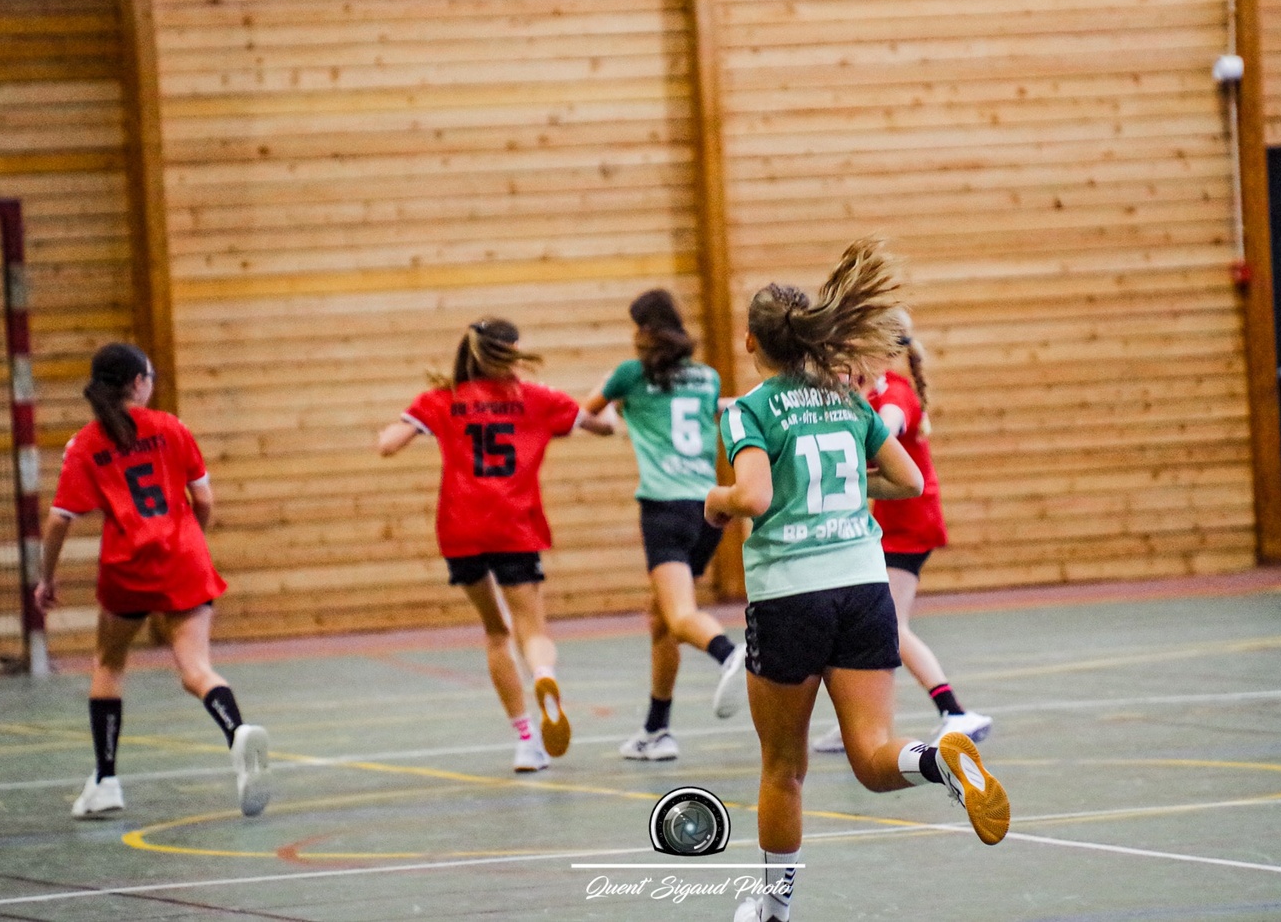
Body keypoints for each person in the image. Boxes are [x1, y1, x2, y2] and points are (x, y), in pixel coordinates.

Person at [703, 242, 1010, 922]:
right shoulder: (845, 398)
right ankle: (938, 760)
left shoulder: (746, 409)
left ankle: (775, 904)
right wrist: (842, 494)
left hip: (791, 596)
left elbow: (752, 496)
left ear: (750, 340)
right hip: (864, 588)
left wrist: (718, 499)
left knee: (782, 766)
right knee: (874, 756)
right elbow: (910, 479)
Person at [36, 343, 270, 820]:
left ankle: (105, 781)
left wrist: (47, 578)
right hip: (183, 559)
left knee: (110, 664)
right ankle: (237, 733)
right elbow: (202, 499)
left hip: (127, 567)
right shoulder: (169, 427)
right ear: (137, 383)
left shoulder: (84, 444)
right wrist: (190, 543)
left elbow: (60, 520)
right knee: (196, 670)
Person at [377, 318, 580, 773]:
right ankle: (544, 677)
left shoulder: (441, 400)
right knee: (532, 628)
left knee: (496, 631)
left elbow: (388, 444)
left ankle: (526, 741)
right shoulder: (536, 398)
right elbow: (595, 421)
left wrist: (396, 429)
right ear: (510, 354)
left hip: (460, 531)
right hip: (513, 527)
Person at [812, 310, 992, 754]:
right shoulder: (870, 390)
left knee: (892, 625)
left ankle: (955, 712)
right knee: (859, 626)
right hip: (887, 521)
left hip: (911, 521)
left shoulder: (896, 395)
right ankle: (860, 721)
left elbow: (884, 433)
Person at [577, 290, 745, 761]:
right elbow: (710, 407)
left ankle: (730, 655)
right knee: (660, 622)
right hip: (707, 511)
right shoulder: (707, 377)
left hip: (665, 510)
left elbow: (586, 414)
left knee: (678, 616)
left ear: (643, 331)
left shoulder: (630, 375)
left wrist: (613, 409)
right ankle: (657, 730)